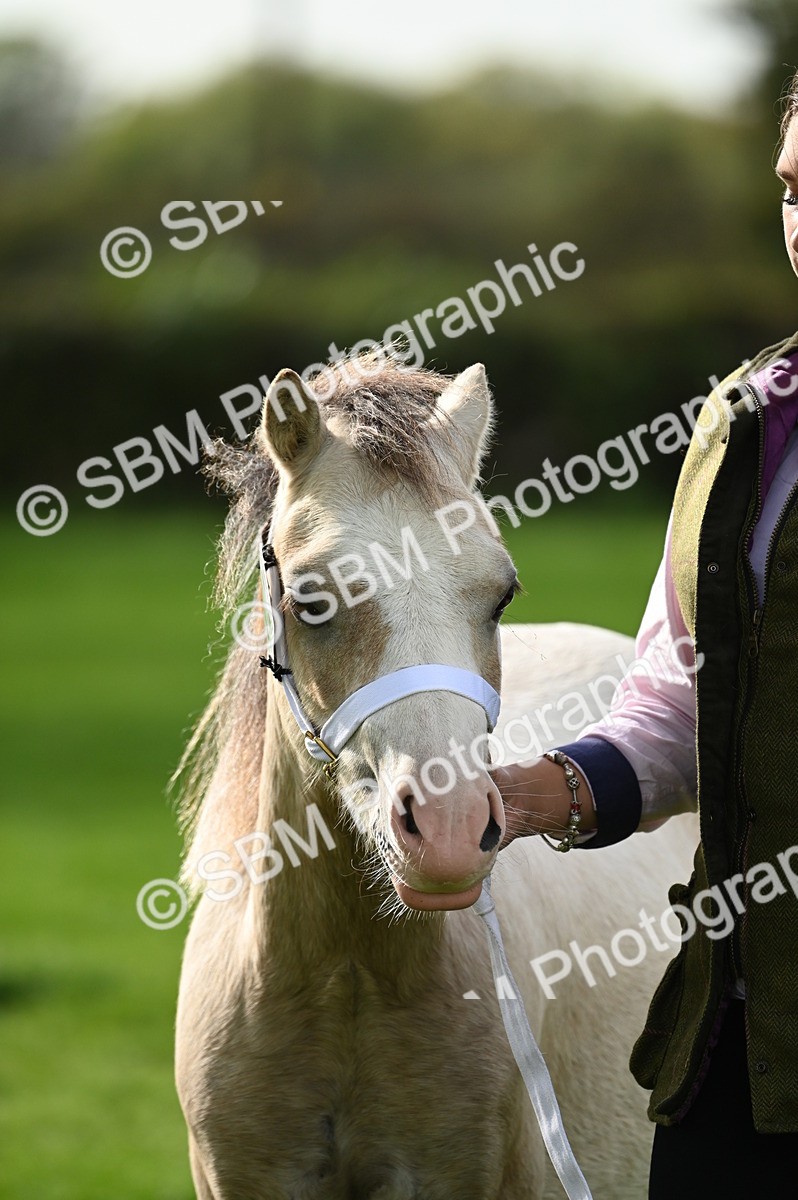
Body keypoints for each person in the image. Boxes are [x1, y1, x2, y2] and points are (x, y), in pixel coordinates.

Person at [493, 72, 798, 1198]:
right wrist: (530, 796)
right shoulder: (746, 420)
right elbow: (678, 703)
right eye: (791, 188)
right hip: (741, 1038)